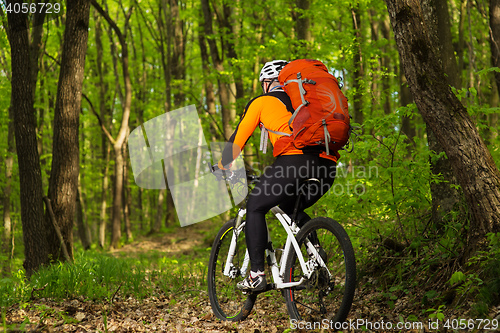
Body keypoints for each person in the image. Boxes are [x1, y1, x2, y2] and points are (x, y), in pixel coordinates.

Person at [213, 60, 338, 292]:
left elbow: (237, 141)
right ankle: (316, 257)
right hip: (328, 165)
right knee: (291, 208)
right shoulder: (309, 103)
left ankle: (256, 275)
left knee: (255, 206)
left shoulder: (262, 102)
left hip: (294, 162)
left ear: (267, 83)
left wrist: (222, 165)